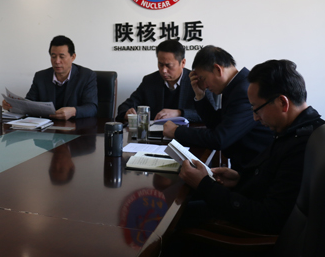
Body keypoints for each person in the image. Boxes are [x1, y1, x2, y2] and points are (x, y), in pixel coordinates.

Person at [177, 59, 324, 236]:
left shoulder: (302, 145)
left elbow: (268, 218)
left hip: (253, 235)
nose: (255, 118)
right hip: (247, 201)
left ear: (282, 103)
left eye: (256, 108)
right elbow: (272, 180)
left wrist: (204, 185)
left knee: (177, 217)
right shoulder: (297, 130)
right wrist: (240, 179)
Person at [163, 46, 272, 170]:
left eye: (203, 78)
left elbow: (219, 139)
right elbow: (216, 124)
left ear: (217, 69)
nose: (204, 85)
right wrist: (200, 95)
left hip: (257, 169)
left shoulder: (244, 91)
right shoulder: (235, 86)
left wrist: (177, 131)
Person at [115, 39, 213, 122]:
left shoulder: (196, 80)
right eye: (160, 64)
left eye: (168, 65)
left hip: (187, 134)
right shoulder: (150, 81)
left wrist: (179, 113)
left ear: (183, 63)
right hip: (156, 135)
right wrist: (127, 113)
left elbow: (210, 113)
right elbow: (125, 106)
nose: (163, 70)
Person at [3, 35, 98, 120]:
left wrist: (73, 111)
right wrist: (12, 106)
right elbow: (29, 104)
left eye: (62, 56)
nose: (57, 61)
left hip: (75, 128)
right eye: (53, 56)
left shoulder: (87, 76)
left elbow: (92, 108)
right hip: (46, 129)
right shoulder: (40, 77)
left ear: (73, 57)